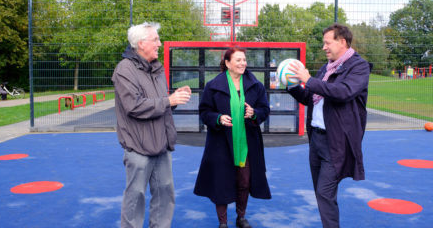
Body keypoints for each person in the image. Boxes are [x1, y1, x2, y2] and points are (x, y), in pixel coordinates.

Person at [288, 23, 372, 228]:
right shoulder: (327, 67)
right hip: (316, 138)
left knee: (325, 192)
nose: (324, 47)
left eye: (327, 43)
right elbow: (310, 97)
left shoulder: (358, 66)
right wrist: (291, 86)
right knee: (321, 190)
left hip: (337, 140)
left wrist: (308, 80)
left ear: (342, 42)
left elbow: (343, 92)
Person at [112, 22, 191, 228]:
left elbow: (159, 104)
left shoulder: (157, 68)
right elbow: (134, 106)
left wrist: (174, 99)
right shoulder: (124, 70)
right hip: (138, 146)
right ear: (141, 43)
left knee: (165, 193)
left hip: (161, 146)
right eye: (155, 39)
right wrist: (169, 101)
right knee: (135, 196)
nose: (159, 43)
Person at [194, 46, 271, 228]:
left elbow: (264, 110)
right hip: (221, 143)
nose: (243, 63)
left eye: (244, 60)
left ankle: (241, 217)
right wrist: (218, 118)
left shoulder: (256, 85)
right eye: (238, 60)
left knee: (244, 181)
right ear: (228, 63)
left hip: (246, 143)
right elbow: (204, 112)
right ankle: (223, 222)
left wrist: (254, 113)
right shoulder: (213, 86)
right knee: (222, 181)